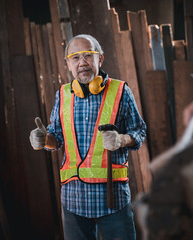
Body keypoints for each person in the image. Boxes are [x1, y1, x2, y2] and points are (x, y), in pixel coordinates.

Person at [29, 34, 146, 240]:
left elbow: (139, 131)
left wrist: (121, 140)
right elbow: (56, 137)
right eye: (75, 57)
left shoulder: (120, 91)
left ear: (100, 59)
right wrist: (43, 139)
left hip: (113, 200)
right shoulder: (63, 95)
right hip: (74, 200)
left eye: (88, 55)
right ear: (68, 64)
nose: (82, 62)